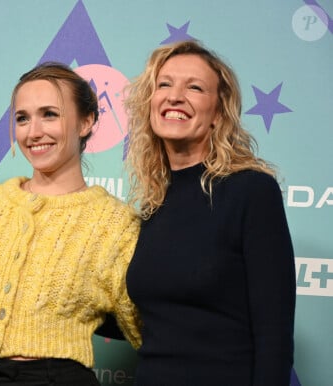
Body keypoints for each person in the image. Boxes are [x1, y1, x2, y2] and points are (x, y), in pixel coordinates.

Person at [0, 62, 142, 386]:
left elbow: (147, 329)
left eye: (50, 114)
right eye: (22, 118)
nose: (33, 132)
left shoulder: (116, 224)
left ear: (86, 121)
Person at [124, 40, 296, 386]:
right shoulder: (154, 204)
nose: (175, 96)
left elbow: (273, 334)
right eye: (165, 84)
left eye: (195, 88)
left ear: (218, 114)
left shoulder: (251, 191)